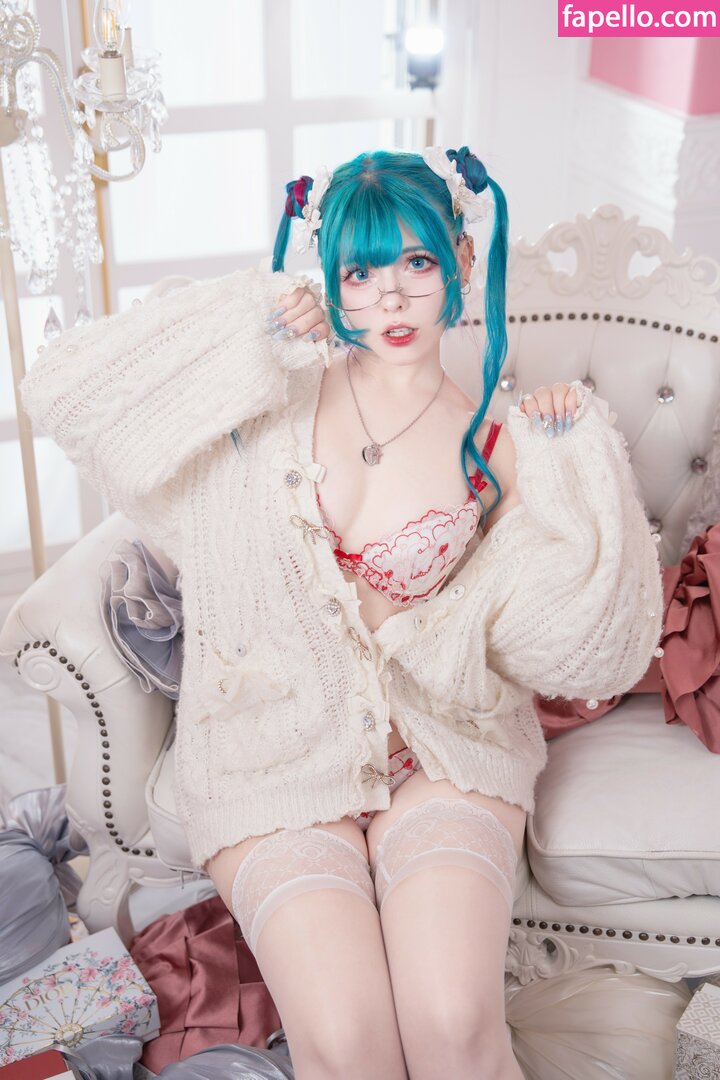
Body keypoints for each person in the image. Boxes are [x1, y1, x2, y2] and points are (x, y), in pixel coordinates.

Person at [19, 146, 663, 1080]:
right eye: (360, 272)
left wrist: (576, 461)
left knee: (453, 1024)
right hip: (270, 759)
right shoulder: (269, 393)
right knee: (349, 1043)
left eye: (416, 262)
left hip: (439, 755)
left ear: (460, 259)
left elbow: (587, 647)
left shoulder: (497, 438)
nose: (391, 297)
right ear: (330, 279)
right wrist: (246, 327)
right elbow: (72, 394)